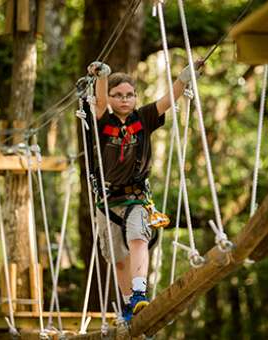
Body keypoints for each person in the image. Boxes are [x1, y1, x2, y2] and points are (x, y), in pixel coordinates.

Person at [87, 60, 200, 322]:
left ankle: (139, 293)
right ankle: (128, 305)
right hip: (107, 199)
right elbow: (100, 102)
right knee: (117, 258)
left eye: (129, 95)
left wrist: (183, 79)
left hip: (136, 197)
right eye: (118, 95)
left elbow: (168, 100)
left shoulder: (144, 118)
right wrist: (102, 77)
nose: (124, 100)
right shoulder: (104, 121)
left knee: (139, 238)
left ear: (136, 97)